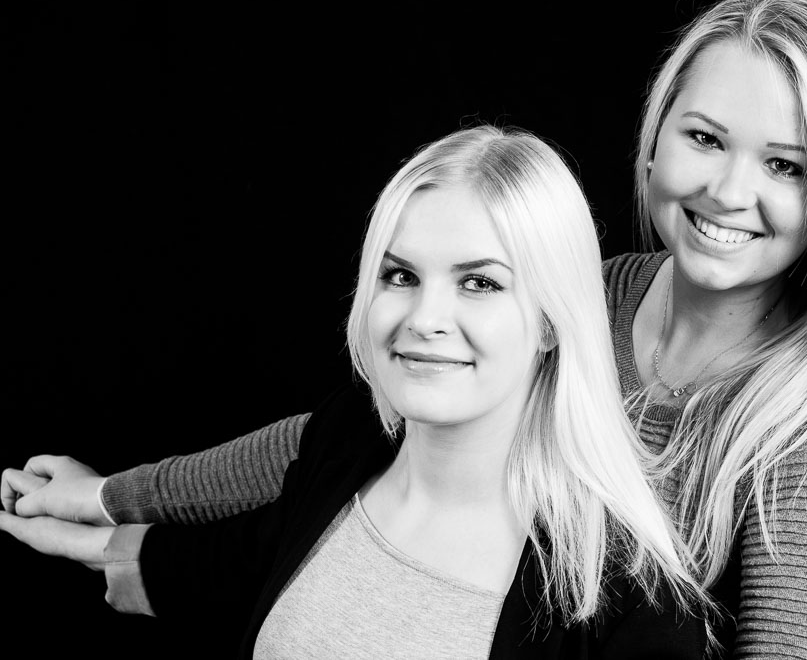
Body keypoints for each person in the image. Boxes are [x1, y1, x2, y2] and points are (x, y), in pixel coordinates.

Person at [2, 0, 807, 658]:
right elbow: (337, 446)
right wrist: (118, 499)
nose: (730, 190)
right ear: (655, 141)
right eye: (704, 138)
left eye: (786, 165)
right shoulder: (593, 294)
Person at [0, 125, 709, 658]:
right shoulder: (347, 442)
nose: (424, 318)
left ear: (552, 320)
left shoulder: (632, 598)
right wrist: (80, 517)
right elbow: (224, 564)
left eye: (479, 282)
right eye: (401, 275)